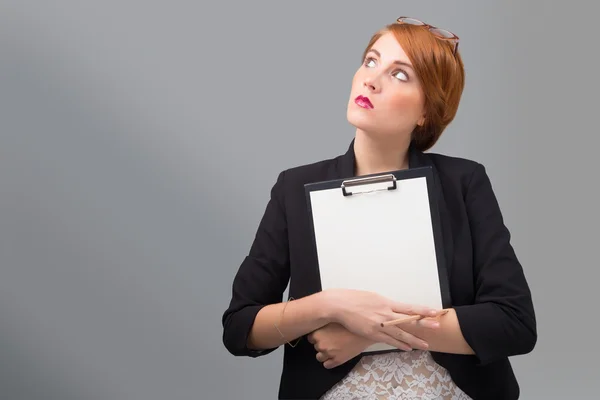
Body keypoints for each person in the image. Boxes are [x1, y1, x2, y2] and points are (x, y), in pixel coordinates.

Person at [221, 16, 537, 400]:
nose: (371, 79)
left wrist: (366, 334)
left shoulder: (464, 182)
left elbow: (515, 323)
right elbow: (240, 328)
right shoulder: (293, 187)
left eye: (400, 74)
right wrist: (329, 306)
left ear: (426, 112)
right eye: (371, 61)